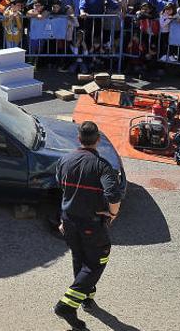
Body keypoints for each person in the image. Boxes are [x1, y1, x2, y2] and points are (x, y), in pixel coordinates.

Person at [53, 121, 123, 331]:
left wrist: (62, 218)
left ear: (79, 139)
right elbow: (113, 194)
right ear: (98, 140)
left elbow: (63, 189)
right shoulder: (102, 166)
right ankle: (66, 305)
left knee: (80, 259)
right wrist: (113, 213)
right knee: (96, 262)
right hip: (91, 225)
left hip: (69, 222)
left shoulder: (65, 160)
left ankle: (85, 298)